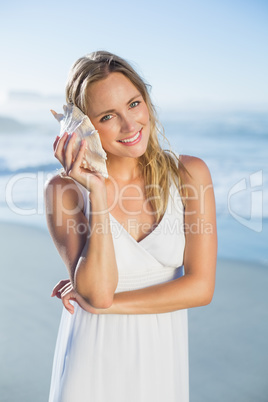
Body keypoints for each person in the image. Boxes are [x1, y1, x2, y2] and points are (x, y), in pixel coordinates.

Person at [44, 50, 217, 402]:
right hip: (92, 356)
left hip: (161, 359)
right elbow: (98, 292)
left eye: (134, 104)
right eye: (108, 116)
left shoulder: (189, 175)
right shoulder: (64, 192)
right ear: (85, 125)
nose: (130, 124)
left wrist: (104, 305)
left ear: (146, 101)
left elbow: (201, 288)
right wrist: (96, 191)